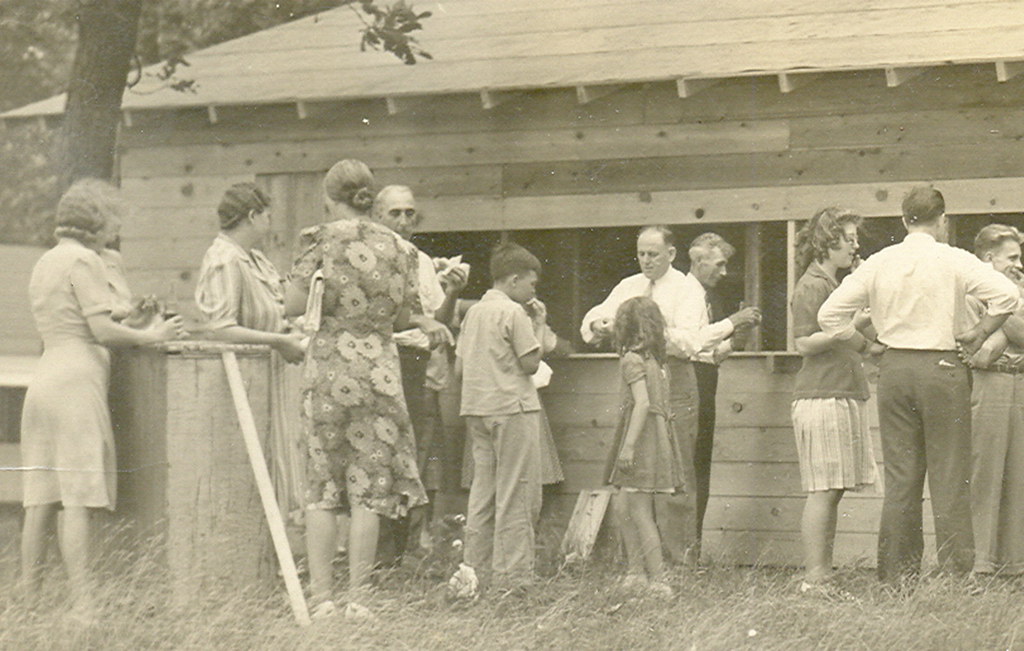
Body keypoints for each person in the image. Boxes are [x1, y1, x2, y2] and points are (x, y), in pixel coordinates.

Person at [818, 186, 1019, 584]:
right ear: (942, 220)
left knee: (901, 479)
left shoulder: (879, 262)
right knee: (949, 477)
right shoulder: (954, 259)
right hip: (943, 369)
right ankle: (956, 578)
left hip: (894, 370)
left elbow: (829, 317)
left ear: (904, 220)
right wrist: (979, 331)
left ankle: (896, 576)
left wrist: (869, 345)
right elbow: (1008, 296)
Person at [284, 159, 448, 619]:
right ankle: (360, 597)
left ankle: (322, 598)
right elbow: (402, 319)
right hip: (379, 371)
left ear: (328, 196)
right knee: (368, 487)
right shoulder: (400, 249)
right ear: (371, 201)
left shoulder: (318, 239)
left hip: (329, 369)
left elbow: (294, 304)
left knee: (323, 484)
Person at [19, 179, 183, 622]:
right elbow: (103, 333)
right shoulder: (87, 259)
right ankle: (83, 604)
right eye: (112, 220)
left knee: (39, 498)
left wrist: (130, 314)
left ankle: (27, 603)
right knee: (77, 498)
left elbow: (83, 316)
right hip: (77, 382)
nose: (115, 229)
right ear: (97, 222)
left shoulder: (47, 261)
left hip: (46, 378)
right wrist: (152, 334)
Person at [580, 225, 753, 565]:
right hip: (636, 381)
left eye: (654, 254)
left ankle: (680, 560)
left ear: (671, 254)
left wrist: (640, 331)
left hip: (676, 380)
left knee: (677, 471)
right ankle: (639, 560)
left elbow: (689, 341)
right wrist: (600, 325)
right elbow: (591, 321)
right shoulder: (629, 285)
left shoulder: (687, 290)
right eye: (641, 253)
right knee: (634, 469)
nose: (646, 260)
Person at [194, 182, 308, 525]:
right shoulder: (225, 260)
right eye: (268, 215)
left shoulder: (255, 258)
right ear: (253, 216)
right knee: (251, 466)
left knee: (278, 462)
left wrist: (294, 332)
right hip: (243, 382)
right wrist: (277, 342)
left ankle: (275, 556)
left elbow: (277, 311)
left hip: (272, 377)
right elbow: (221, 328)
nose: (271, 222)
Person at [369, 184, 467, 564]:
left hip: (413, 365)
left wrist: (454, 293)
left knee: (413, 457)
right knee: (377, 456)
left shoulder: (421, 260)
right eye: (395, 213)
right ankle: (375, 554)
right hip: (376, 358)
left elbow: (437, 323)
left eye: (410, 213)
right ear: (377, 215)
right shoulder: (366, 257)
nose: (404, 220)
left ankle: (403, 554)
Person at [790, 208, 880, 593]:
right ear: (828, 241)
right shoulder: (813, 285)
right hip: (821, 396)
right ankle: (815, 575)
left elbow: (855, 341)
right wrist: (853, 326)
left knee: (834, 488)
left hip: (840, 393)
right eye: (849, 238)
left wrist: (869, 342)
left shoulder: (835, 285)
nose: (855, 245)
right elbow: (803, 343)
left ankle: (823, 570)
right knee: (823, 489)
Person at [448, 242, 544, 598]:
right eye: (531, 284)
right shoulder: (515, 313)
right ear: (515, 279)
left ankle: (472, 574)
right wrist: (539, 324)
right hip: (512, 409)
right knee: (515, 492)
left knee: (483, 492)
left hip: (478, 410)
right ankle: (512, 579)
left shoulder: (473, 313)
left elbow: (458, 369)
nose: (534, 290)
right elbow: (531, 363)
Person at [678, 233, 760, 560]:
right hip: (688, 385)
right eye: (720, 264)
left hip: (704, 380)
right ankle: (683, 552)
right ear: (698, 261)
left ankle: (691, 552)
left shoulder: (704, 295)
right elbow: (692, 343)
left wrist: (733, 342)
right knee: (690, 468)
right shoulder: (684, 292)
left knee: (700, 466)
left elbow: (707, 354)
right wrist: (732, 321)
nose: (725, 272)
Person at [605, 296, 686, 597]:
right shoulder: (657, 362)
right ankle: (635, 572)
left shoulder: (631, 360)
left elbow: (642, 405)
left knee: (639, 510)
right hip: (655, 436)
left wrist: (627, 448)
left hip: (640, 439)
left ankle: (658, 579)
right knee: (626, 504)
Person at [963, 224, 1024, 577]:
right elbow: (980, 355)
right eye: (1012, 257)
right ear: (988, 258)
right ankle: (980, 564)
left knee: (1017, 474)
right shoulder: (971, 293)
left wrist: (997, 320)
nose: (1019, 264)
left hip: (1018, 383)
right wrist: (1006, 323)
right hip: (988, 384)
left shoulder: (1014, 292)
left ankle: (1015, 564)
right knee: (985, 474)